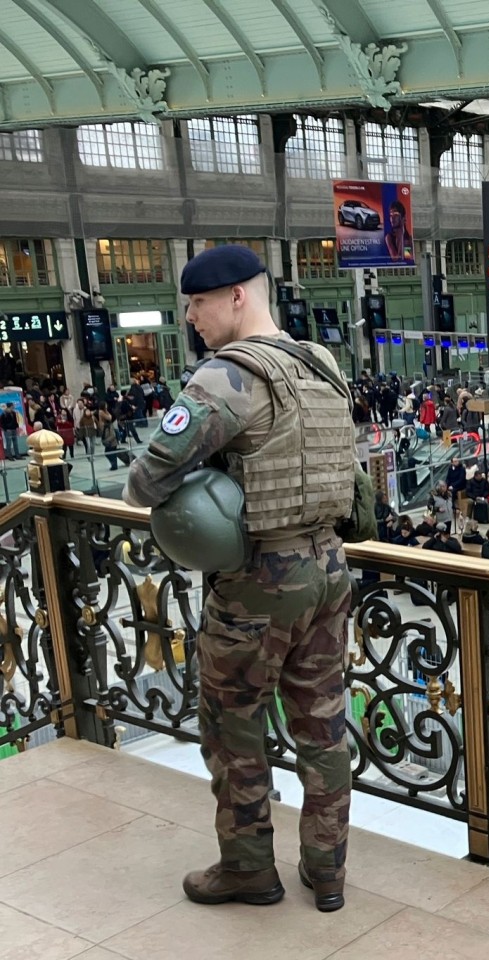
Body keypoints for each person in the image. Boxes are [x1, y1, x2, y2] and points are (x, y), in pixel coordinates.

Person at [121, 246, 356, 913]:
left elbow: (145, 480)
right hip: (329, 569)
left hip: (257, 582)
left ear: (235, 298)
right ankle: (328, 869)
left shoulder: (225, 379)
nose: (189, 317)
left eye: (196, 303)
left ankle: (249, 868)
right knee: (323, 725)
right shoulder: (323, 363)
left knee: (234, 729)